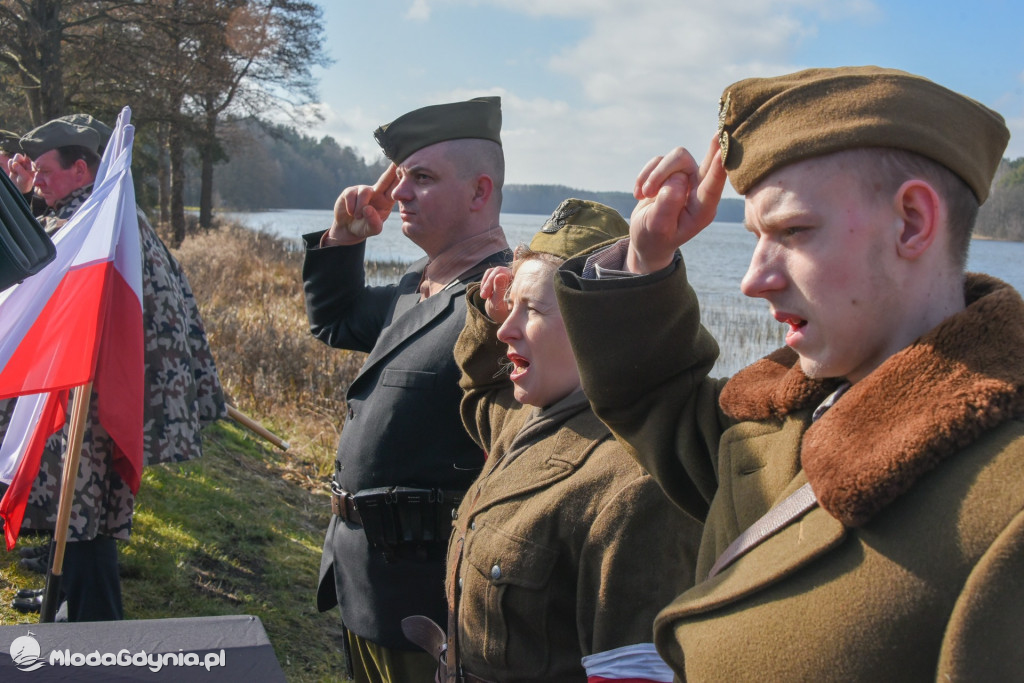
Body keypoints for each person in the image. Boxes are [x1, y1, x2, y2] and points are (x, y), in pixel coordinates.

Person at [554, 66, 1024, 680]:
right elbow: (655, 403)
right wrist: (647, 258)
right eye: (754, 237)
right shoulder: (789, 416)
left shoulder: (1006, 511)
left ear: (912, 221)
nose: (753, 279)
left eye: (794, 231)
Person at [402, 198, 702, 682]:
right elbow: (481, 390)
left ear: (598, 329)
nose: (506, 329)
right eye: (510, 308)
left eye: (533, 310)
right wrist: (486, 308)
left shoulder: (635, 486)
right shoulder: (528, 421)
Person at [304, 96, 511, 682]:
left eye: (422, 178)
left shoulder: (503, 303)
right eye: (401, 178)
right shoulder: (416, 288)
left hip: (433, 608)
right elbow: (336, 319)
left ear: (479, 192)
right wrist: (344, 239)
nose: (398, 193)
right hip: (364, 584)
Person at [6, 114, 226, 620]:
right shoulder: (112, 214)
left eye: (44, 171)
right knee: (81, 512)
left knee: (83, 513)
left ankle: (93, 629)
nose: (38, 182)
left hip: (93, 398)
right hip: (96, 393)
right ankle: (66, 600)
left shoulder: (92, 226)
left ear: (81, 170)